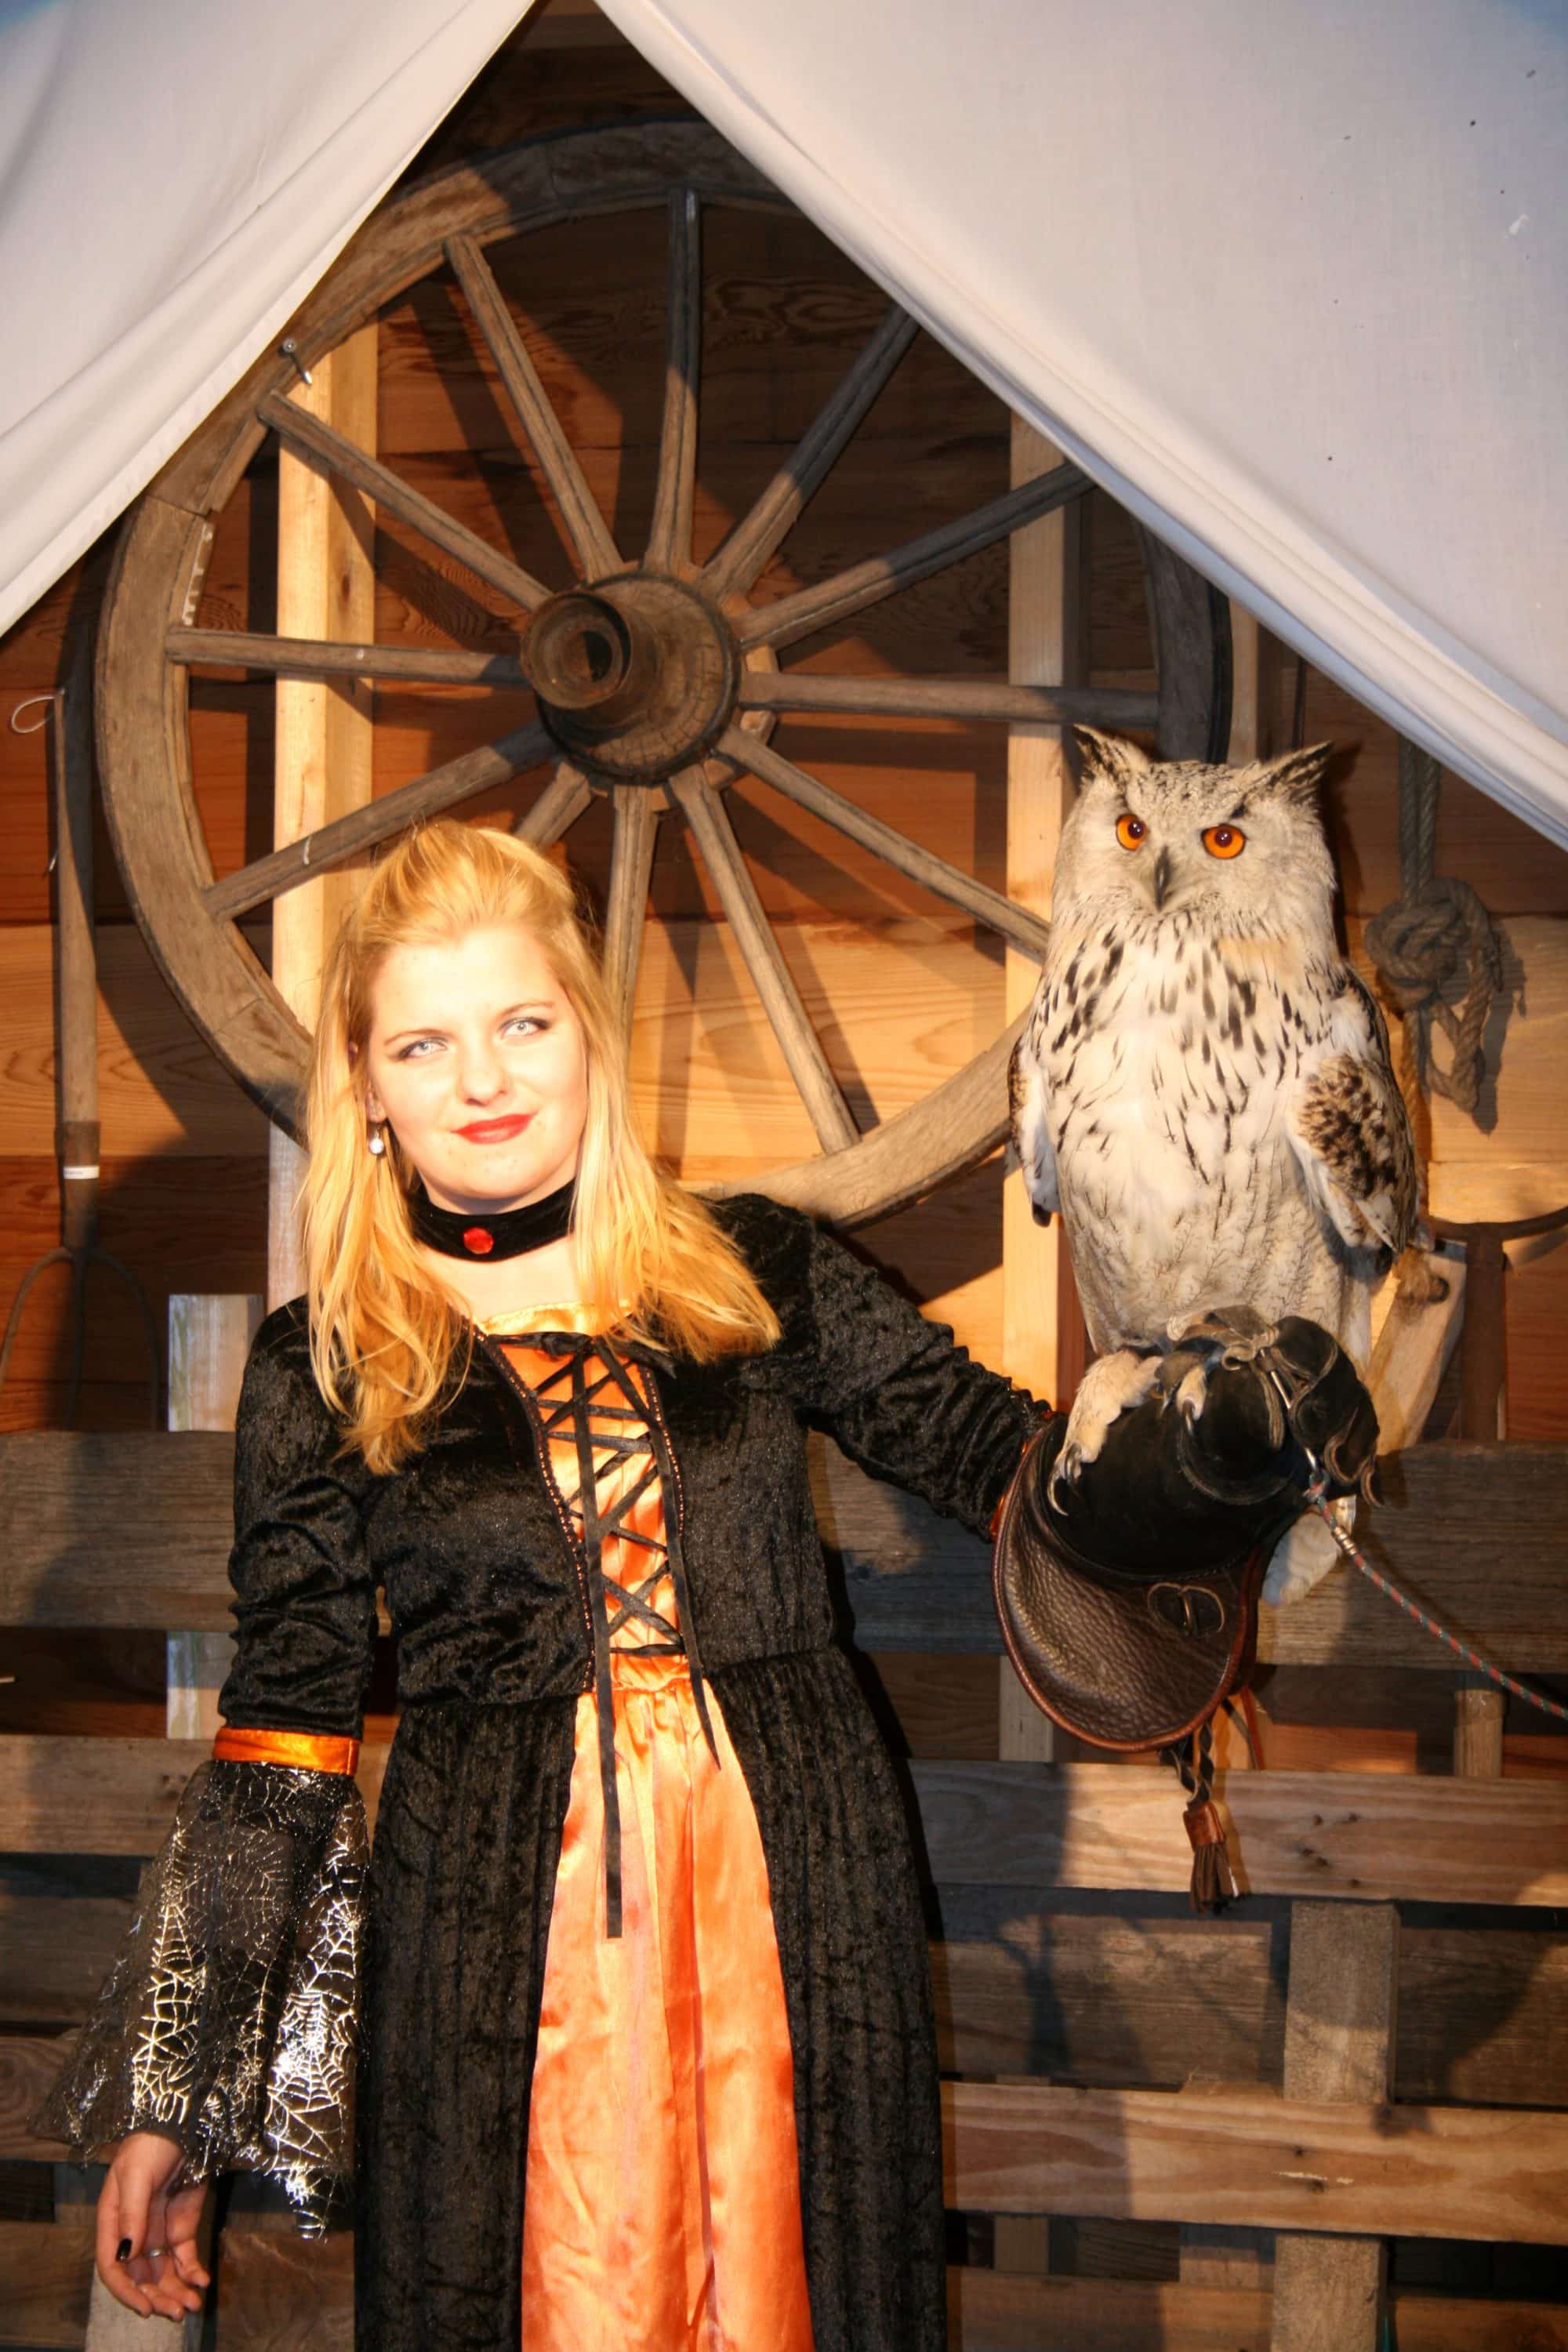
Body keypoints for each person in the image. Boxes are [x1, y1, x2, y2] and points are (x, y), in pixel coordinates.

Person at [35, 818, 1377, 2351]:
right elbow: (283, 1731)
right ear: (369, 1087)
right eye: (425, 1044)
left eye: (522, 1023)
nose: (483, 1080)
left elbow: (989, 1457)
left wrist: (1185, 1460)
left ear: (586, 1035)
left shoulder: (752, 1266)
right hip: (490, 1923)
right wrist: (182, 2095)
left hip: (796, 1887)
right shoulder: (327, 1361)